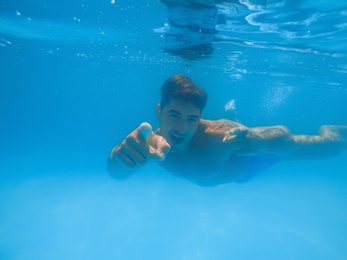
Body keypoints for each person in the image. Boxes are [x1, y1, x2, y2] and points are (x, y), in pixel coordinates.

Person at [108, 74, 346, 186]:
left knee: (332, 146)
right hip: (228, 172)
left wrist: (262, 142)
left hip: (251, 163)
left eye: (192, 119)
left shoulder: (220, 135)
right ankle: (232, 111)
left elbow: (283, 134)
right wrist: (121, 158)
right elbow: (116, 174)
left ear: (200, 118)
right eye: (174, 115)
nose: (182, 128)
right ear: (159, 111)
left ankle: (335, 130)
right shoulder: (149, 142)